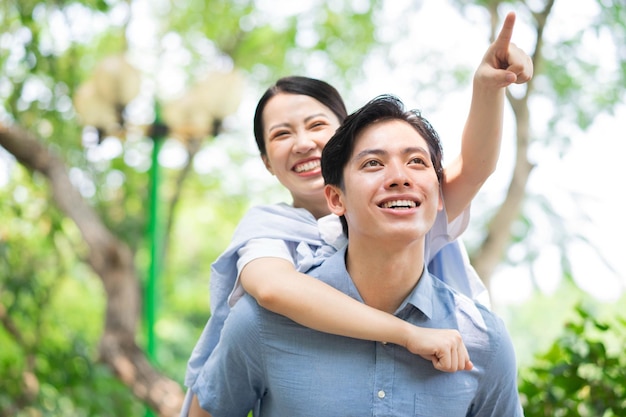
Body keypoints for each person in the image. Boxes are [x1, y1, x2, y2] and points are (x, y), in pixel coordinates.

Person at [183, 11, 532, 416]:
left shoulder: (410, 210)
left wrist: (487, 88)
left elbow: (472, 167)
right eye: (281, 134)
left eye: (317, 125)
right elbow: (275, 290)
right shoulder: (268, 236)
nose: (302, 143)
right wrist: (408, 336)